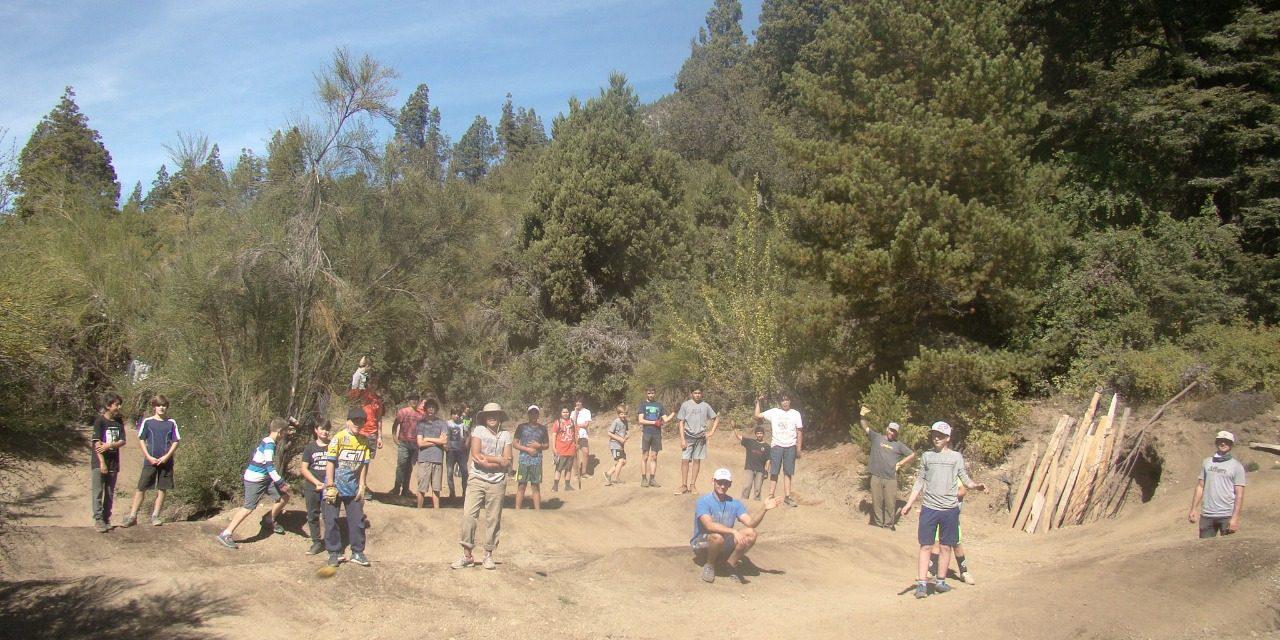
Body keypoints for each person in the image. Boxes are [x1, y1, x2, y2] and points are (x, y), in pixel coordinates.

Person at [898, 421, 986, 599]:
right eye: (934, 435)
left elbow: (965, 478)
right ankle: (922, 584)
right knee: (926, 546)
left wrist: (976, 486)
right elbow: (919, 481)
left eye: (940, 435)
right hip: (929, 508)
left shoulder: (956, 457)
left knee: (946, 546)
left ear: (947, 438)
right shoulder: (927, 456)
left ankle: (940, 581)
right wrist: (909, 503)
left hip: (950, 509)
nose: (936, 438)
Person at [690, 468, 780, 584]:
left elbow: (751, 523)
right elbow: (709, 525)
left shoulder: (735, 503)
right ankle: (710, 565)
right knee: (717, 537)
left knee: (751, 533)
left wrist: (764, 509)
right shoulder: (703, 501)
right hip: (702, 544)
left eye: (726, 483)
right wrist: (733, 531)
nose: (722, 486)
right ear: (713, 481)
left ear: (730, 484)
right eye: (719, 482)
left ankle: (730, 564)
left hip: (723, 542)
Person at [216, 417, 295, 549]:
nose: (285, 435)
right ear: (280, 431)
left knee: (284, 497)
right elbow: (270, 466)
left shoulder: (268, 441)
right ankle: (226, 533)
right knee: (248, 507)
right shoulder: (269, 444)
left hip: (265, 478)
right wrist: (280, 482)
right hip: (255, 480)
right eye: (284, 432)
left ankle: (269, 520)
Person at [452, 402, 513, 570]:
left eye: (495, 414)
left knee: (493, 518)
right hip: (477, 479)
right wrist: (498, 460)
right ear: (484, 417)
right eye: (488, 414)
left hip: (498, 481)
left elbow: (508, 460)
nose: (492, 417)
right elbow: (476, 455)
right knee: (469, 515)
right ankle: (467, 555)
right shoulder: (478, 430)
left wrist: (492, 461)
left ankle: (488, 555)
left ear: (500, 416)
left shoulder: (506, 435)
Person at [322, 408, 373, 569]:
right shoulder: (338, 438)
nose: (358, 424)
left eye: (361, 421)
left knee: (358, 520)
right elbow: (330, 461)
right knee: (331, 520)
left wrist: (362, 485)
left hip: (353, 487)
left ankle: (358, 552)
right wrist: (330, 484)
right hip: (335, 486)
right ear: (348, 422)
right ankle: (334, 552)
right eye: (355, 421)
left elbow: (364, 464)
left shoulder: (364, 441)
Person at [124, 395, 181, 527]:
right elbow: (141, 439)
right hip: (150, 461)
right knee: (141, 488)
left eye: (164, 405)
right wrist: (148, 456)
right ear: (154, 407)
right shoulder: (148, 422)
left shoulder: (171, 422)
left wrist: (167, 456)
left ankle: (155, 516)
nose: (161, 408)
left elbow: (176, 441)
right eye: (159, 405)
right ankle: (132, 516)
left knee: (162, 489)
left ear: (167, 407)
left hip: (166, 462)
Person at [860, 405, 916, 529]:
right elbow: (865, 427)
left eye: (894, 431)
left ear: (897, 433)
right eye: (891, 430)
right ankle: (878, 524)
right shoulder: (877, 438)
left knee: (890, 504)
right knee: (877, 502)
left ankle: (888, 525)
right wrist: (862, 416)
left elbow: (912, 454)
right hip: (876, 476)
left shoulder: (898, 445)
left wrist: (900, 464)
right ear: (887, 429)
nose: (892, 433)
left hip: (890, 478)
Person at [1188, 430, 1247, 538]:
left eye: (1226, 441)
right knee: (1205, 546)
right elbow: (1200, 486)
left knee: (1227, 547)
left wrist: (1235, 518)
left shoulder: (1237, 466)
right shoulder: (1207, 462)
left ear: (1231, 445)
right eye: (1220, 440)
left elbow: (1239, 494)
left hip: (1226, 515)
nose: (1223, 443)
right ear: (1216, 442)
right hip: (1207, 515)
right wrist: (1193, 509)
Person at [756, 393, 803, 507]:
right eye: (783, 400)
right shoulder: (774, 412)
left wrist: (799, 448)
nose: (785, 402)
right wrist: (757, 401)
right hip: (777, 446)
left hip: (790, 446)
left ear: (790, 401)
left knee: (788, 472)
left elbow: (799, 431)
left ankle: (787, 497)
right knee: (774, 472)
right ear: (779, 402)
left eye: (787, 400)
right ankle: (771, 495)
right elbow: (757, 415)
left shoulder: (795, 414)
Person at [90, 392, 127, 533]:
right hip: (100, 463)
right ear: (108, 405)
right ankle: (98, 519)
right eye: (117, 404)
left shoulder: (119, 421)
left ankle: (106, 518)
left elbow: (122, 441)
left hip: (113, 462)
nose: (119, 407)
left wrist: (109, 445)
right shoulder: (99, 422)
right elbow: (97, 444)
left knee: (110, 492)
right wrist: (102, 463)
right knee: (98, 491)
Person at [676, 387, 719, 495]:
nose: (697, 395)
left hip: (700, 438)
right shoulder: (685, 405)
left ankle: (693, 485)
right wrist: (682, 439)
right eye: (695, 393)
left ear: (702, 394)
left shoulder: (705, 406)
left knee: (697, 460)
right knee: (685, 460)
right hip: (688, 437)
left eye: (699, 393)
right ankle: (684, 485)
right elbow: (681, 422)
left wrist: (711, 432)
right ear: (691, 394)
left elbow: (716, 418)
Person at [299, 415, 332, 555]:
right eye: (322, 428)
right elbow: (304, 468)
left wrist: (328, 483)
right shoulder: (310, 448)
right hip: (312, 487)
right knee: (312, 515)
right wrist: (316, 482)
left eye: (327, 429)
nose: (325, 431)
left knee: (329, 515)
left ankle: (331, 543)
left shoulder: (333, 446)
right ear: (316, 430)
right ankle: (316, 542)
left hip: (328, 487)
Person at [930, 483, 974, 585]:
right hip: (939, 514)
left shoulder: (955, 477)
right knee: (936, 542)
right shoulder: (939, 478)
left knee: (956, 544)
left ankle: (964, 572)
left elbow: (962, 491)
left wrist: (947, 495)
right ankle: (931, 570)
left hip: (952, 516)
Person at [414, 399, 449, 509]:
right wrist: (437, 441)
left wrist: (427, 439)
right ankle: (419, 509)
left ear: (436, 409)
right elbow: (420, 443)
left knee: (436, 488)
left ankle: (436, 511)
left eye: (433, 407)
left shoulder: (442, 423)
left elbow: (444, 441)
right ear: (425, 409)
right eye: (429, 407)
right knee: (422, 487)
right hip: (424, 459)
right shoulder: (421, 424)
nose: (431, 409)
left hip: (437, 458)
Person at [638, 386, 673, 488]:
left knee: (654, 456)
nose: (651, 395)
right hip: (647, 433)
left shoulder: (659, 405)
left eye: (652, 393)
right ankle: (644, 479)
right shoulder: (642, 405)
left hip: (657, 434)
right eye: (649, 393)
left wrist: (674, 412)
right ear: (646, 394)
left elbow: (665, 419)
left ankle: (652, 479)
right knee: (645, 456)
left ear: (655, 393)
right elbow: (640, 420)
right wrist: (654, 422)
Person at [514, 405, 549, 509]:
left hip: (536, 461)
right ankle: (517, 510)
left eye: (536, 413)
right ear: (528, 414)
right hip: (523, 461)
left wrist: (539, 446)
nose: (534, 415)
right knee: (521, 486)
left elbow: (547, 445)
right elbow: (515, 443)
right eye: (531, 413)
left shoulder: (543, 429)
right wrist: (527, 449)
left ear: (538, 414)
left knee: (535, 486)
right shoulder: (521, 427)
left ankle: (537, 511)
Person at [390, 395, 426, 497]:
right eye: (412, 399)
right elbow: (395, 424)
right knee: (401, 465)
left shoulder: (421, 415)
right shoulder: (403, 412)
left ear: (418, 401)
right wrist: (394, 437)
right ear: (409, 401)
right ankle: (396, 488)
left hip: (415, 444)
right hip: (404, 443)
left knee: (409, 467)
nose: (414, 401)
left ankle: (405, 489)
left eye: (416, 400)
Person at [732, 422, 769, 501]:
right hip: (750, 468)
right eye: (758, 433)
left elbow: (768, 460)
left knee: (758, 489)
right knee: (747, 486)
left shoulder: (767, 446)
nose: (759, 435)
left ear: (763, 434)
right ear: (755, 434)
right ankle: (743, 502)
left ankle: (756, 504)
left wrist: (766, 470)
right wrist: (734, 428)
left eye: (761, 433)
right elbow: (739, 437)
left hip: (760, 470)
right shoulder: (750, 442)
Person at [445, 406, 470, 499]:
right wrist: (445, 446)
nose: (456, 416)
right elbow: (443, 435)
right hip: (451, 451)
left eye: (458, 414)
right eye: (454, 414)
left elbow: (468, 435)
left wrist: (466, 445)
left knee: (464, 472)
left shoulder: (464, 423)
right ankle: (452, 492)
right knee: (449, 472)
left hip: (461, 451)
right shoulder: (447, 424)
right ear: (451, 414)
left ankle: (465, 492)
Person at [550, 406, 577, 492]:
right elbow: (554, 435)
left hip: (571, 449)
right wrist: (554, 447)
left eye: (567, 412)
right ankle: (555, 485)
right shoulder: (557, 422)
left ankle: (567, 485)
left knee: (568, 468)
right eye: (564, 412)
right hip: (561, 449)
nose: (565, 414)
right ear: (561, 413)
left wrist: (576, 444)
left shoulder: (572, 422)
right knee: (559, 468)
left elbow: (575, 433)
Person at [604, 404, 630, 486]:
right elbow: (609, 433)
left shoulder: (625, 422)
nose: (623, 415)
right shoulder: (616, 421)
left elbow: (626, 432)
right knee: (621, 461)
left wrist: (626, 436)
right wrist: (619, 439)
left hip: (621, 445)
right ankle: (616, 479)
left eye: (625, 414)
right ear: (618, 414)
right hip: (614, 445)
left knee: (623, 462)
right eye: (621, 414)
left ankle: (608, 474)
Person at [572, 399, 593, 481]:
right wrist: (575, 412)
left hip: (583, 435)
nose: (578, 403)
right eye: (576, 402)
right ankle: (576, 474)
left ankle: (584, 473)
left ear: (582, 403)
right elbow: (571, 423)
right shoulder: (573, 413)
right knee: (574, 454)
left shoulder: (587, 412)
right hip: (574, 435)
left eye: (579, 402)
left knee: (586, 452)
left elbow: (586, 424)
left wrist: (577, 425)